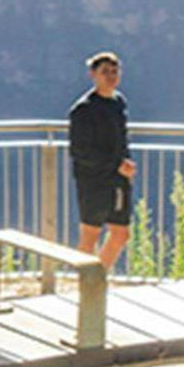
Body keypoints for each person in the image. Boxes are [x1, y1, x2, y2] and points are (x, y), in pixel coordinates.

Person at [68, 51, 136, 269]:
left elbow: (122, 139)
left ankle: (98, 279)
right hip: (93, 180)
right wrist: (116, 164)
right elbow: (81, 151)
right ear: (92, 75)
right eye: (105, 71)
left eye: (114, 71)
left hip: (118, 179)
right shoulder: (84, 109)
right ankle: (83, 285)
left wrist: (126, 163)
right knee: (90, 234)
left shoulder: (118, 102)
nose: (111, 76)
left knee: (120, 233)